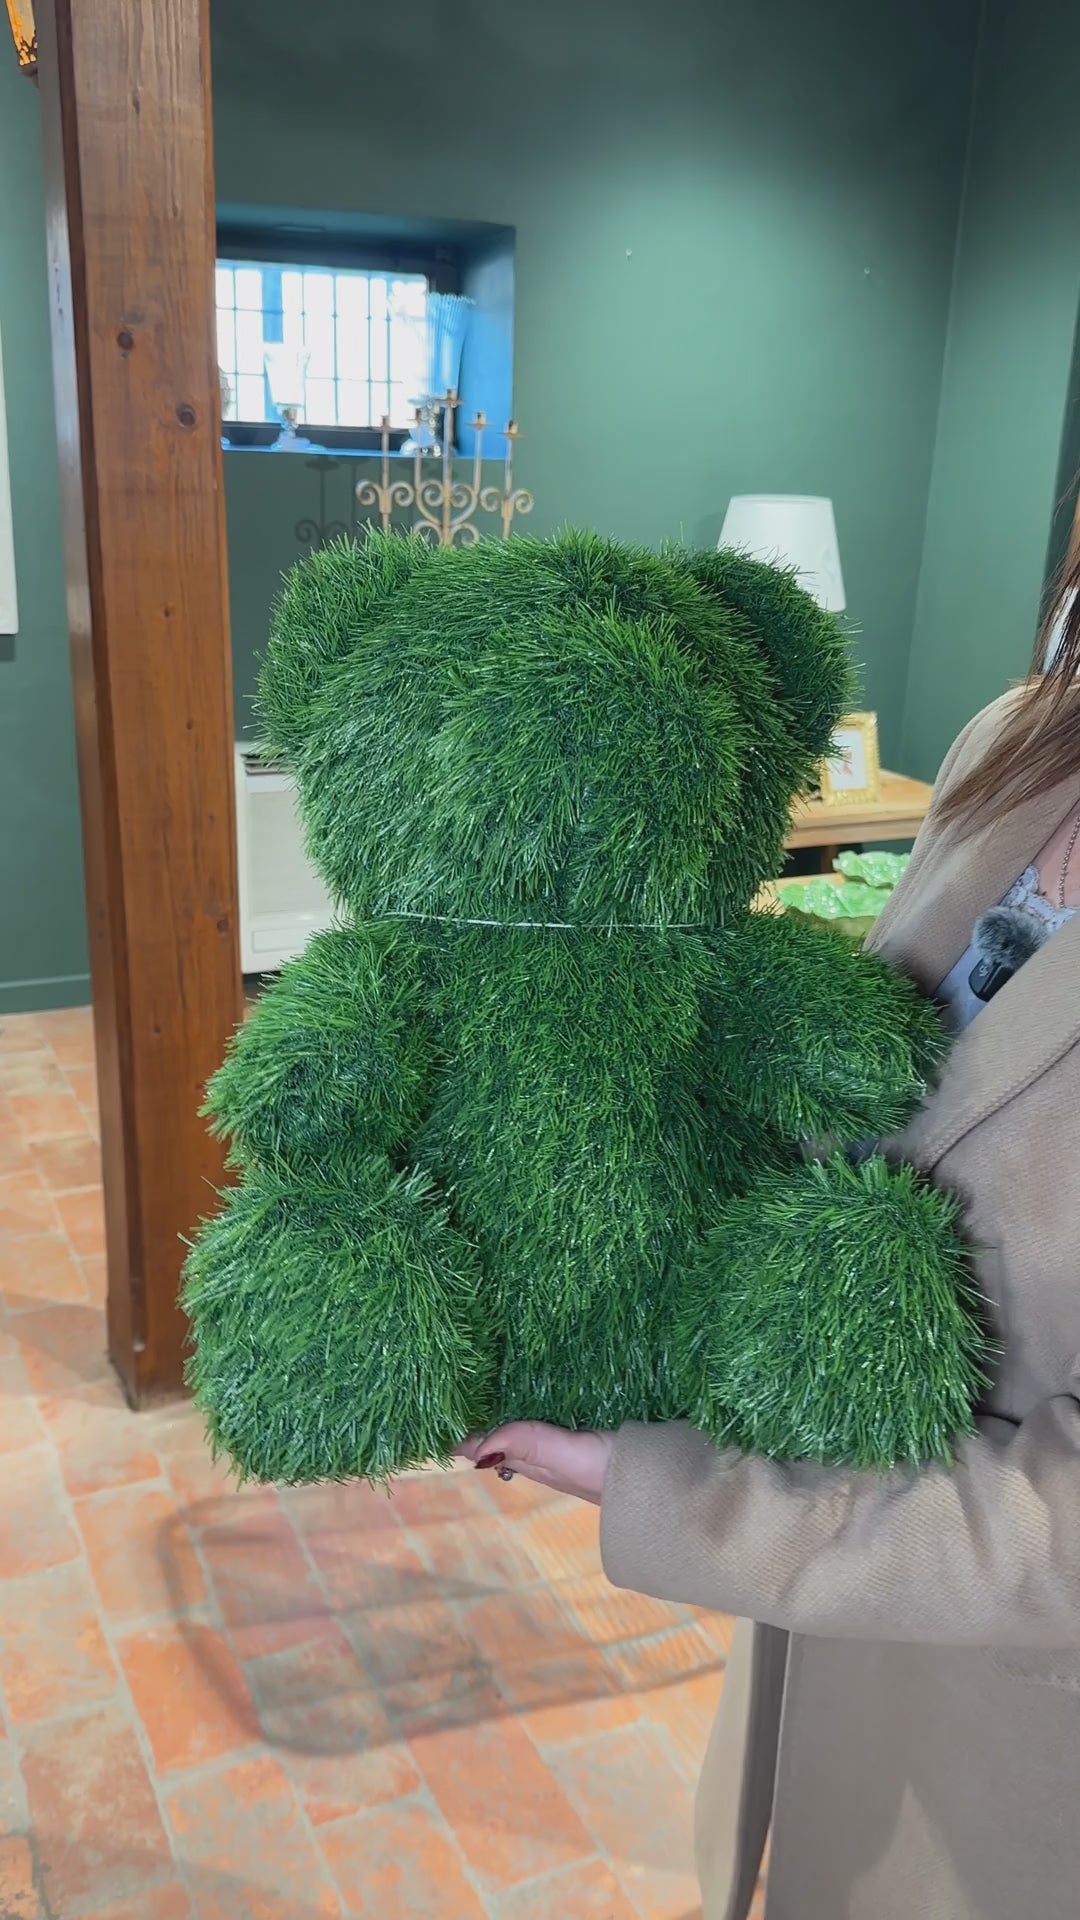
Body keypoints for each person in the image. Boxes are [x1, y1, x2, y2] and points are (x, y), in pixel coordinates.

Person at [459, 549, 1080, 1920]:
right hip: (823, 1655)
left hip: (1004, 1748)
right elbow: (869, 1099)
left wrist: (687, 1496)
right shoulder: (1012, 745)